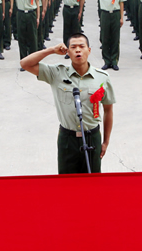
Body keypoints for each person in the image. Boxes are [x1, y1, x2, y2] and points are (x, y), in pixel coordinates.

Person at [20, 33, 115, 175]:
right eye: (73, 47)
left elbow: (108, 110)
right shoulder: (57, 73)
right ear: (67, 52)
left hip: (92, 137)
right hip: (67, 139)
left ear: (89, 50)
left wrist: (106, 141)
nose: (78, 50)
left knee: (93, 183)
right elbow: (25, 64)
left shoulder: (102, 77)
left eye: (82, 46)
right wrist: (51, 50)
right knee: (66, 184)